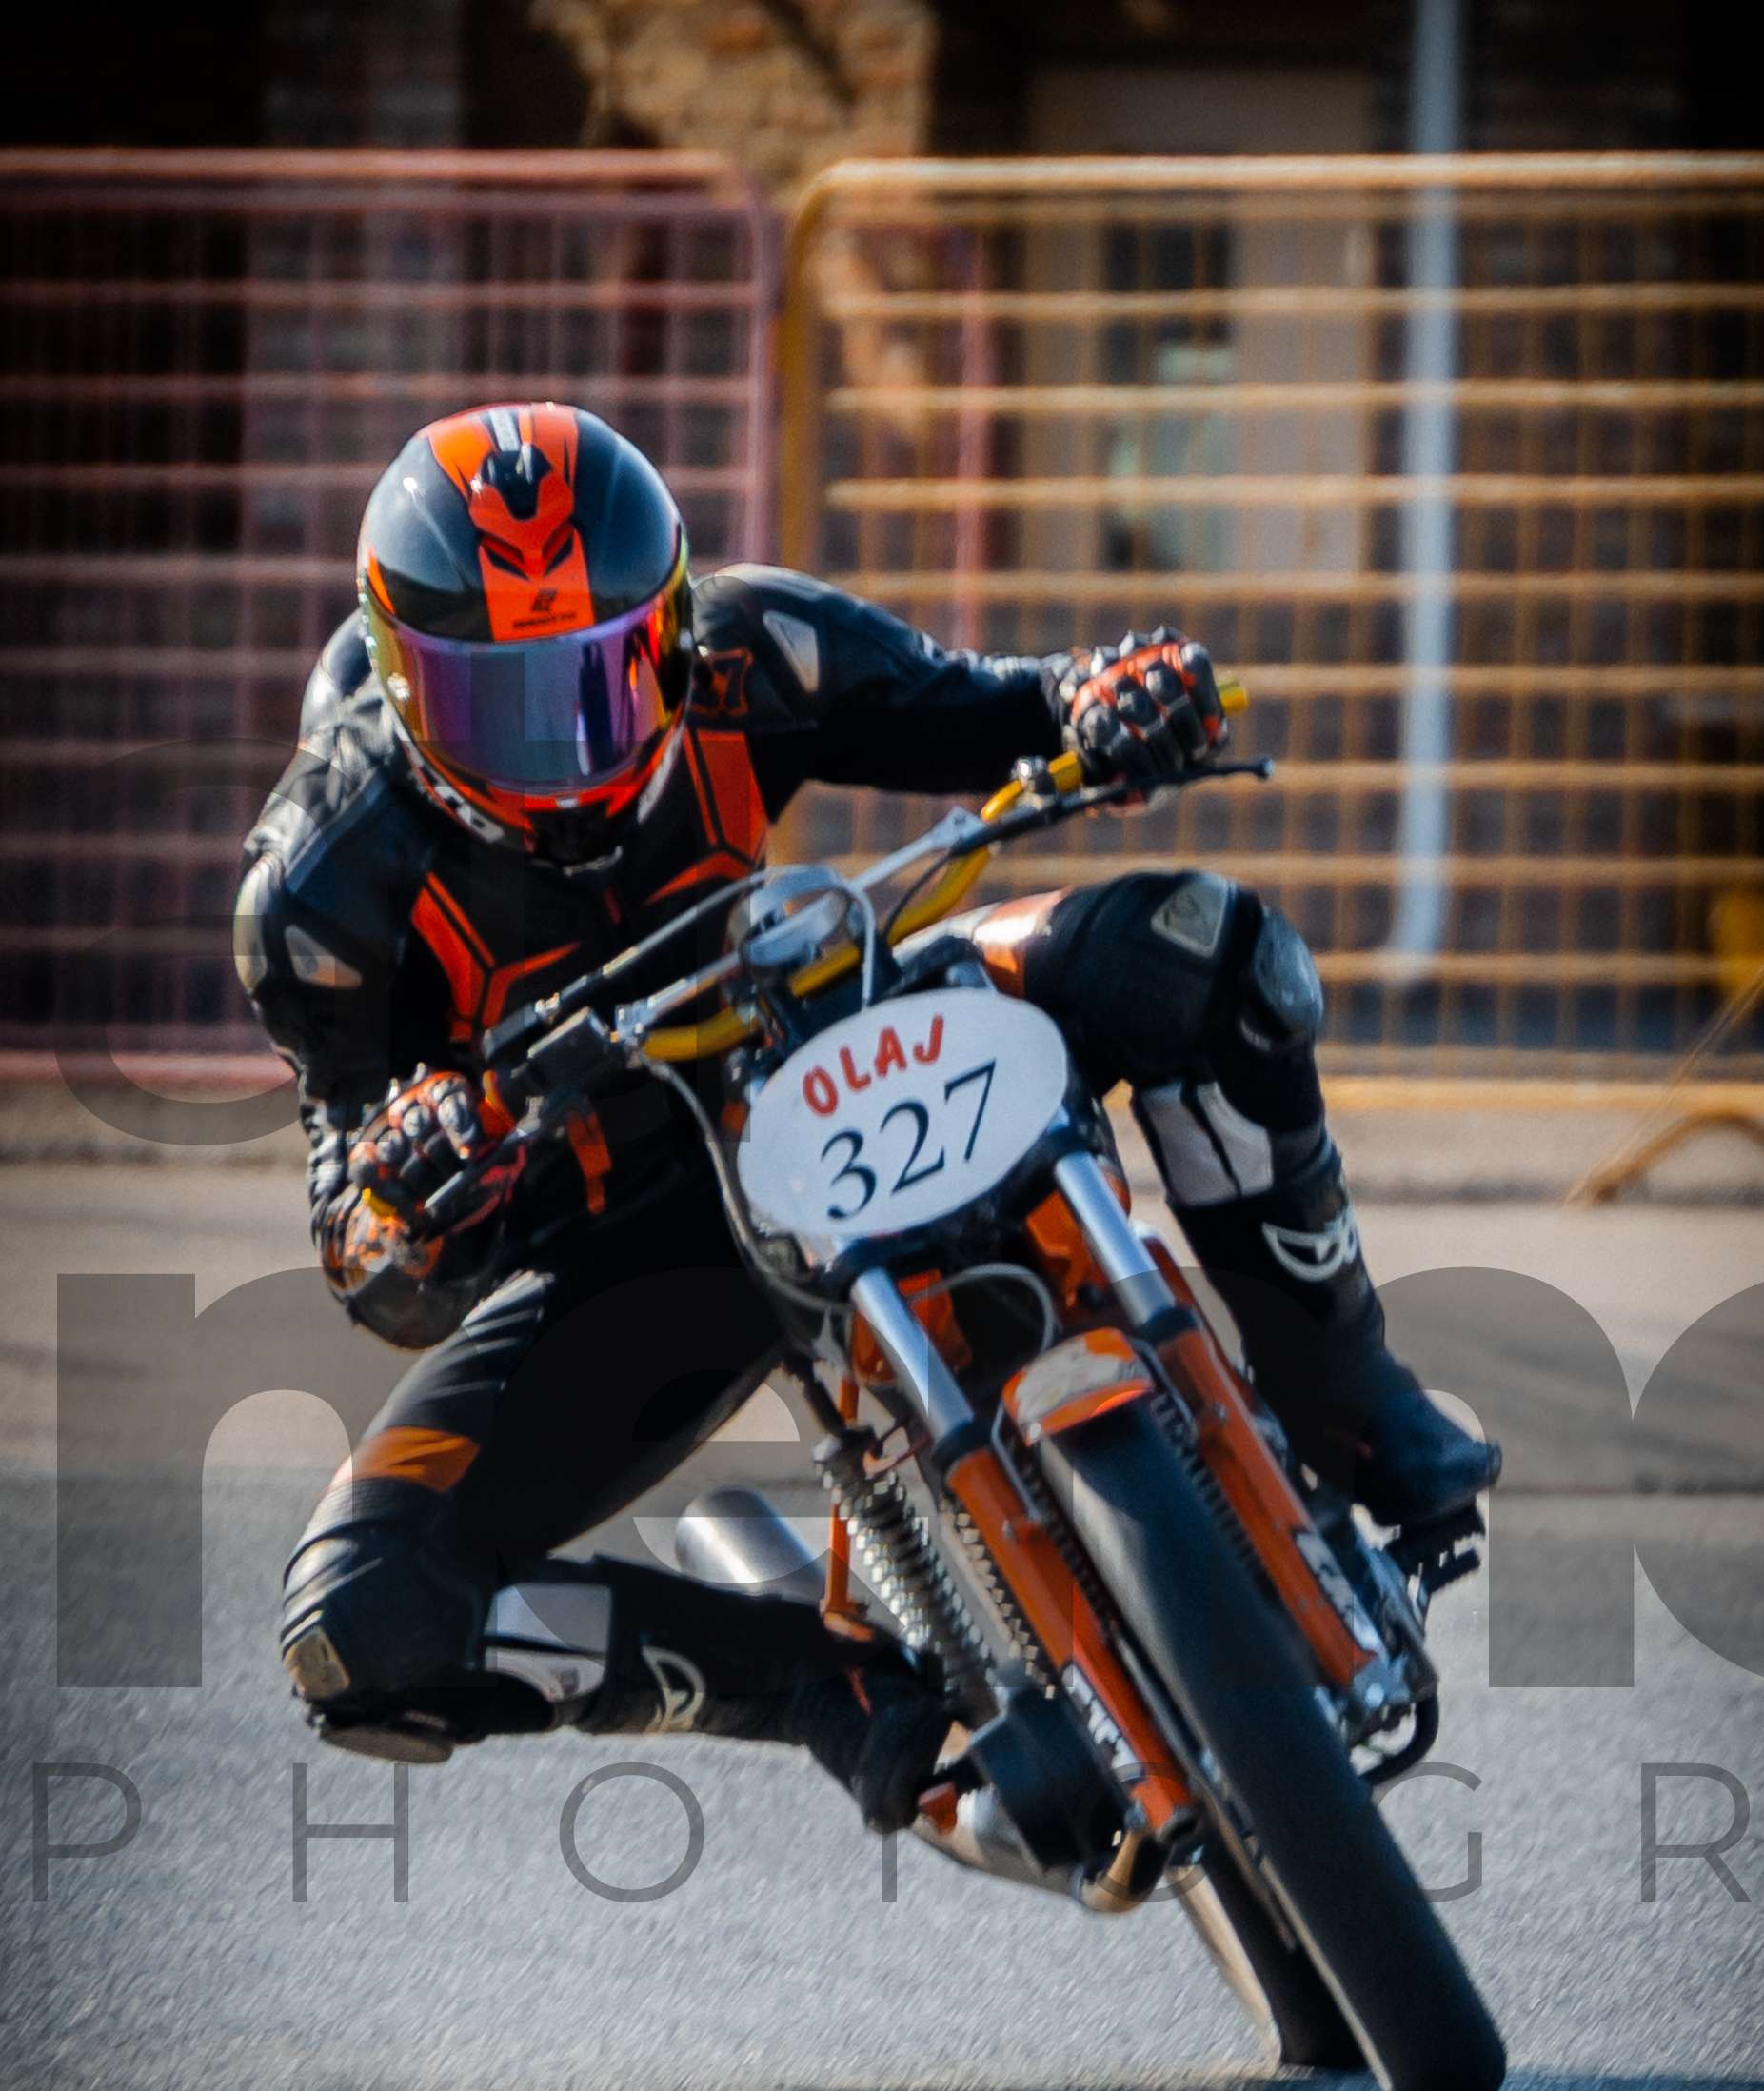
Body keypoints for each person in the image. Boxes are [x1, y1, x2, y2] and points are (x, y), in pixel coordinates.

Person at [239, 403, 1496, 1826]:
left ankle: (1356, 1408)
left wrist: (1120, 696)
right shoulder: (318, 895)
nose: (570, 743)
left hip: (835, 1031)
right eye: (504, 703)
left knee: (1208, 951)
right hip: (638, 1239)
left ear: (674, 627)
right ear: (404, 688)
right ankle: (819, 1686)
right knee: (358, 1625)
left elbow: (1009, 704)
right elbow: (369, 1262)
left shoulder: (756, 646)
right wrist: (410, 1186)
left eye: (609, 675)